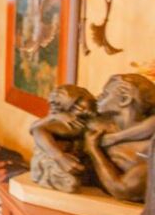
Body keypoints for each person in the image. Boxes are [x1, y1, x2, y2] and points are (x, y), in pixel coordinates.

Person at [84, 74, 155, 202]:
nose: (98, 97)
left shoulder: (148, 148)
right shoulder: (101, 127)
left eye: (105, 94)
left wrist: (93, 150)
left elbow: (121, 189)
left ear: (125, 98)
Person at [29, 85, 96, 192]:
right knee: (71, 183)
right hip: (52, 164)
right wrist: (60, 157)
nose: (86, 111)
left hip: (75, 160)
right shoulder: (67, 123)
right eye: (78, 107)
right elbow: (36, 129)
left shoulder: (84, 120)